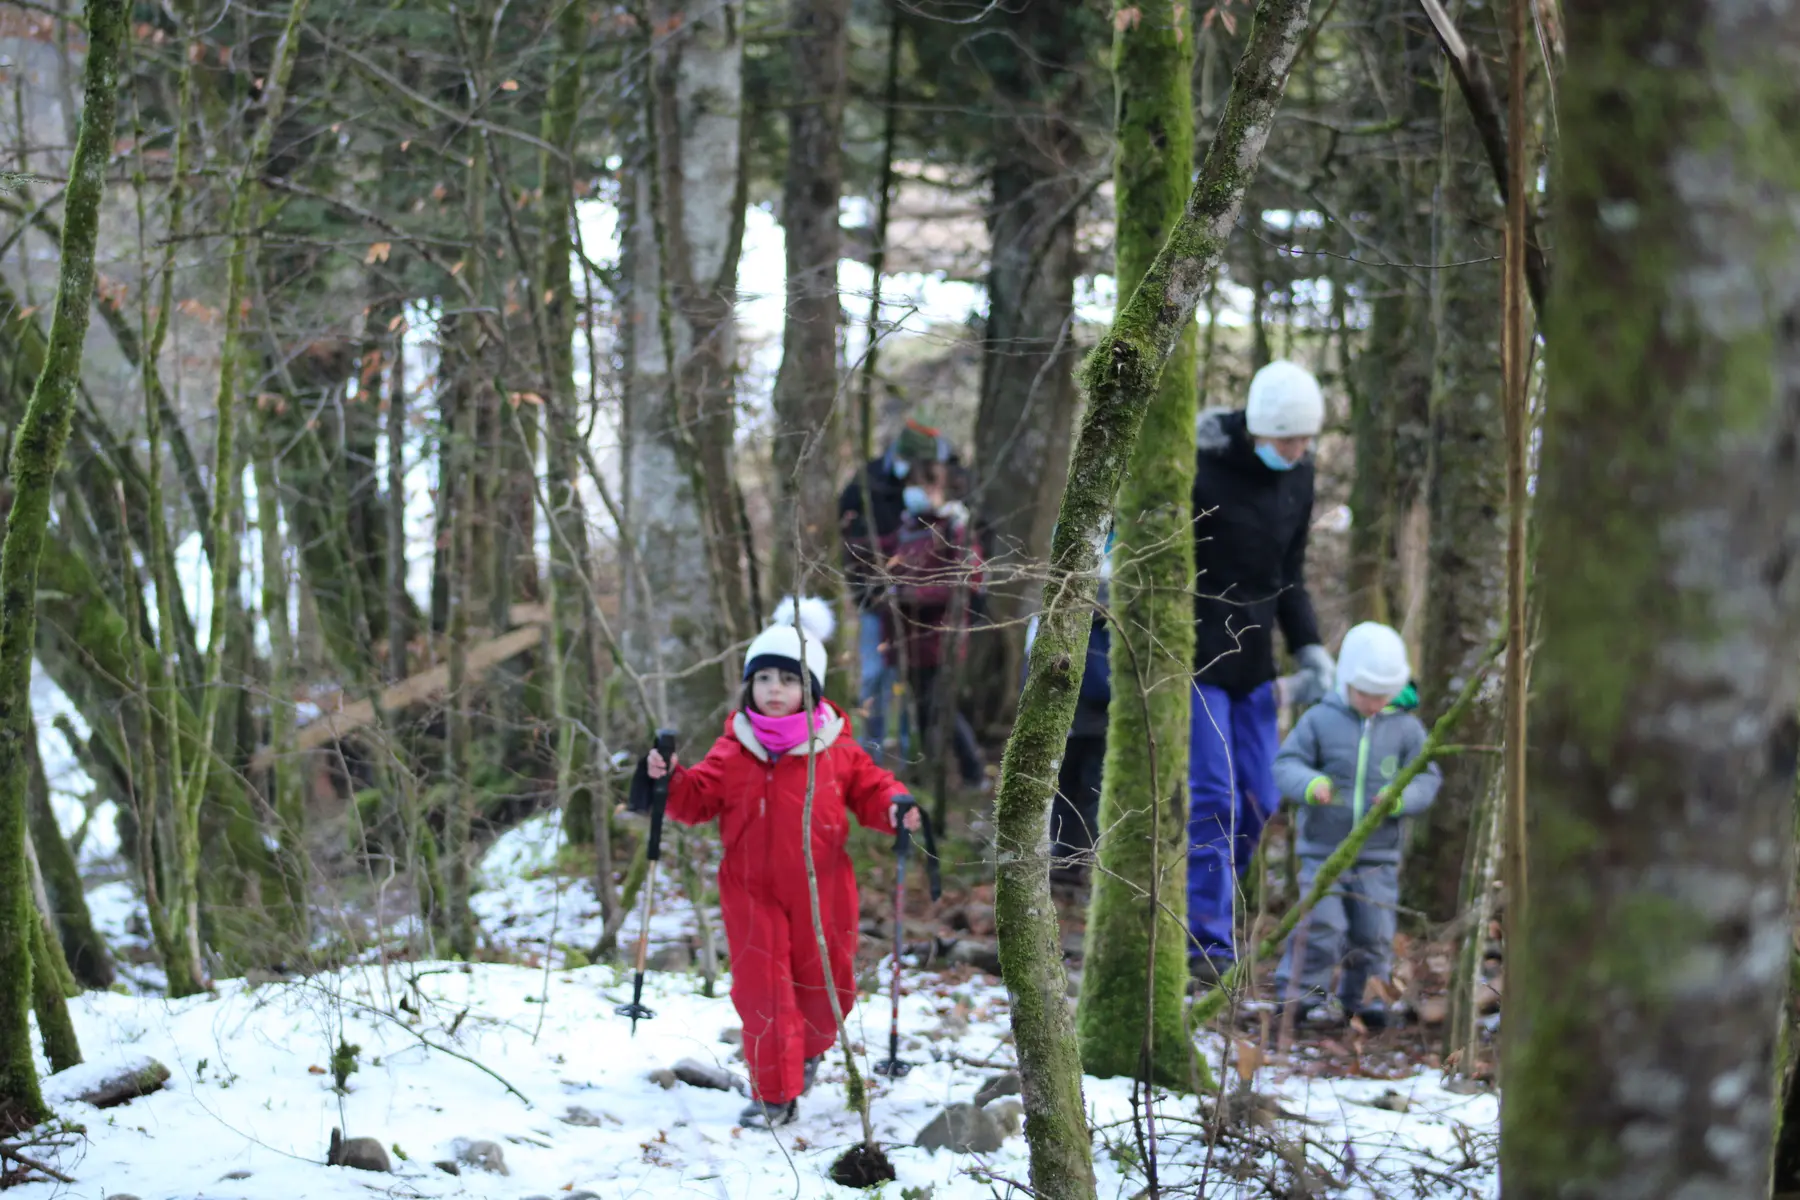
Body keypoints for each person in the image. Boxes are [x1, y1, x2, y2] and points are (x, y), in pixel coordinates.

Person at [647, 596, 922, 1128]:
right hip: (749, 890)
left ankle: (811, 1051)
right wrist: (669, 779)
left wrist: (894, 806)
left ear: (810, 690)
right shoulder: (734, 748)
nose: (775, 689)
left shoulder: (835, 747)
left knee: (826, 989)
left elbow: (870, 789)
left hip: (823, 890)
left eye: (789, 680)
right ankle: (774, 1093)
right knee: (761, 990)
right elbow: (696, 799)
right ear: (748, 685)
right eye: (764, 678)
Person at [1188, 360, 1337, 985]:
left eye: (1305, 441)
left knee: (1260, 798)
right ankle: (1204, 942)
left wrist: (1310, 649)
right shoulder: (1201, 466)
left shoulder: (1299, 478)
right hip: (1195, 655)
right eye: (1287, 440)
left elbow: (1289, 575)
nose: (1297, 451)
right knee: (1215, 797)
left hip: (1256, 665)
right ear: (1258, 430)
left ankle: (1215, 896)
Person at [1271, 622, 1441, 1028]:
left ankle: (1365, 1001)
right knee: (1321, 923)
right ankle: (1298, 999)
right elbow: (1285, 764)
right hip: (1322, 849)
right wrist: (1311, 785)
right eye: (1366, 694)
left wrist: (1400, 800)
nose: (1374, 704)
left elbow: (1427, 776)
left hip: (1378, 856)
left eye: (1383, 696)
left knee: (1374, 932)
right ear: (1346, 680)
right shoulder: (1319, 720)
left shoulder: (1406, 728)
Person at [839, 417, 954, 761]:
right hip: (877, 601)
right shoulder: (867, 483)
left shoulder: (939, 482)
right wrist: (870, 593)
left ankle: (909, 753)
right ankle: (870, 751)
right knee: (875, 676)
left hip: (921, 611)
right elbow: (854, 546)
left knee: (912, 683)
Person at [881, 459, 987, 790]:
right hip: (908, 637)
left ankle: (973, 773)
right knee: (922, 708)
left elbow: (970, 578)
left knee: (944, 707)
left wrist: (916, 594)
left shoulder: (955, 528)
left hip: (941, 636)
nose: (918, 493)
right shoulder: (906, 530)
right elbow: (887, 567)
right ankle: (928, 772)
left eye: (926, 485)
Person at [1023, 529, 1113, 884]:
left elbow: (1034, 659)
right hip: (1088, 713)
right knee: (1080, 786)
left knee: (1076, 785)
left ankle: (1073, 856)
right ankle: (1075, 857)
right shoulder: (1066, 609)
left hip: (1081, 713)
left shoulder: (1066, 606)